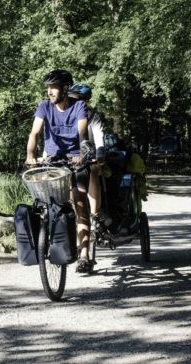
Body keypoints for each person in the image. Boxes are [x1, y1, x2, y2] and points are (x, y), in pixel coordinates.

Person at [25, 69, 94, 273]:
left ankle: (84, 255)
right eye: (48, 88)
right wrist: (30, 155)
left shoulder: (79, 106)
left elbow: (82, 133)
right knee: (45, 201)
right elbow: (35, 132)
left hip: (75, 160)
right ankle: (46, 237)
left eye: (53, 87)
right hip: (52, 160)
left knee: (79, 202)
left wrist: (82, 154)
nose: (49, 92)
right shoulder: (44, 107)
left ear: (65, 89)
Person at [68, 84, 110, 262]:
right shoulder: (67, 116)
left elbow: (99, 138)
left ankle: (95, 214)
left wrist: (99, 154)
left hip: (89, 158)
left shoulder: (93, 117)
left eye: (76, 99)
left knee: (93, 170)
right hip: (70, 160)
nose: (73, 102)